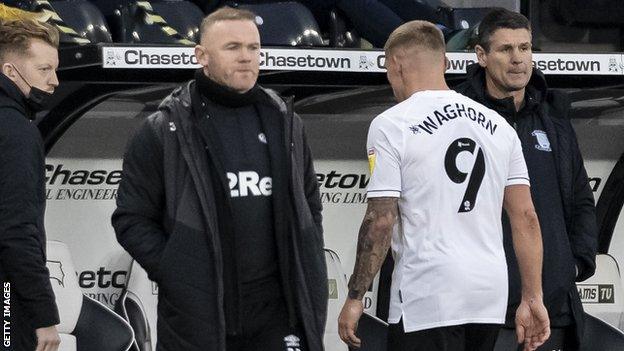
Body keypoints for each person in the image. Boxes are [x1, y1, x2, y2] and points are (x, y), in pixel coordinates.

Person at [112, 7, 327, 351]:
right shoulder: (163, 129)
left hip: (279, 316)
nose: (246, 57)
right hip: (201, 316)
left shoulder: (285, 122)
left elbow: (310, 207)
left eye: (253, 48)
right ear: (201, 56)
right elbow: (131, 219)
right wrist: (177, 270)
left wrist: (310, 258)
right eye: (232, 47)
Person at [337, 20, 550, 351]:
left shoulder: (392, 124)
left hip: (428, 296)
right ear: (446, 63)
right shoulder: (499, 126)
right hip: (488, 297)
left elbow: (380, 220)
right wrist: (533, 297)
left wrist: (355, 297)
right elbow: (526, 217)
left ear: (393, 65)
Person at [455, 8, 598, 350]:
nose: (518, 59)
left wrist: (573, 266)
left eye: (525, 48)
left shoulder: (554, 118)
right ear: (481, 56)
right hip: (483, 311)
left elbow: (581, 199)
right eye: (506, 49)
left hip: (553, 308)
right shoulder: (458, 116)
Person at [0, 18, 61, 351]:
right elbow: (16, 230)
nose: (54, 81)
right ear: (11, 72)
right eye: (44, 70)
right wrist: (43, 316)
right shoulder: (16, 131)